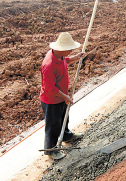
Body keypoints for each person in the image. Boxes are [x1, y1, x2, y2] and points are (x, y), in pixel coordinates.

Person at [40, 32, 85, 160]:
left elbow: (65, 61)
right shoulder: (49, 65)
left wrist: (76, 57)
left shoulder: (59, 56)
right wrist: (65, 97)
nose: (71, 50)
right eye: (70, 49)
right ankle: (51, 150)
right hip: (52, 100)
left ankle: (66, 136)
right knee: (53, 125)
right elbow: (49, 88)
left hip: (61, 97)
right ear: (62, 49)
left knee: (64, 118)